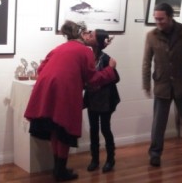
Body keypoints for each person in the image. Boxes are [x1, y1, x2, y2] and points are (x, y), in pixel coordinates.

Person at [24, 20, 118, 182]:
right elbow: (93, 79)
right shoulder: (84, 51)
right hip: (64, 94)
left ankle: (58, 169)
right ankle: (60, 172)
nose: (89, 35)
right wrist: (110, 70)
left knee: (55, 130)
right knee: (64, 131)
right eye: (87, 32)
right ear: (81, 34)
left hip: (46, 92)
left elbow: (40, 69)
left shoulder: (58, 48)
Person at [142, 3, 182, 167]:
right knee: (158, 124)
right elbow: (146, 62)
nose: (158, 22)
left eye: (161, 19)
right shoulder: (151, 36)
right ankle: (155, 154)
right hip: (162, 85)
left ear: (170, 17)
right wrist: (146, 83)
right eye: (156, 19)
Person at [83, 29, 120, 173]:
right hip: (92, 99)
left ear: (97, 41)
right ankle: (95, 159)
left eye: (91, 35)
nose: (88, 36)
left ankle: (110, 159)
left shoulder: (106, 59)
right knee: (93, 129)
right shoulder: (88, 57)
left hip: (105, 100)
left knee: (105, 129)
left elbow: (115, 78)